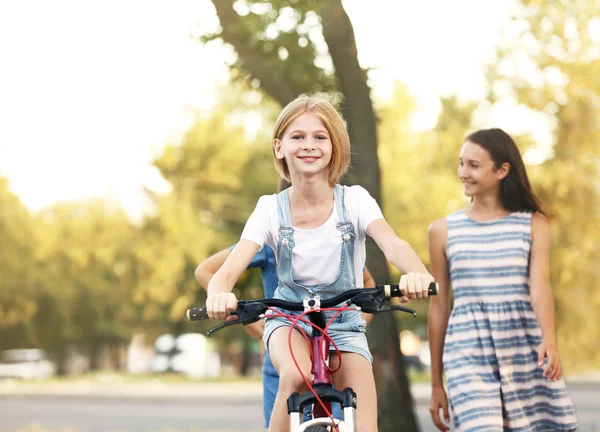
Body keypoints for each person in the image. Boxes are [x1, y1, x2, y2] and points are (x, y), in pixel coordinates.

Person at [205, 93, 434, 432]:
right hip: (288, 320)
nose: (308, 145)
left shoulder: (355, 201)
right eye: (297, 136)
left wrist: (417, 272)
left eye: (319, 136)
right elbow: (226, 272)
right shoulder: (269, 209)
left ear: (334, 147)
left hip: (345, 324)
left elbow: (392, 244)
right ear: (279, 147)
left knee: (364, 418)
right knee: (296, 376)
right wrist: (218, 293)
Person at [427, 128, 578, 431]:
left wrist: (549, 338)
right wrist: (435, 383)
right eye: (461, 163)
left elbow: (539, 288)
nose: (463, 173)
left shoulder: (534, 224)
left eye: (473, 165)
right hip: (467, 352)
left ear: (502, 170)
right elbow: (439, 308)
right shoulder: (442, 231)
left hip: (522, 347)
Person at [195, 244, 376, 427]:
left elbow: (368, 282)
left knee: (339, 424)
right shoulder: (268, 240)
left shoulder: (331, 240)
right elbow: (206, 271)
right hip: (284, 350)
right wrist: (245, 318)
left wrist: (356, 324)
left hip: (330, 353)